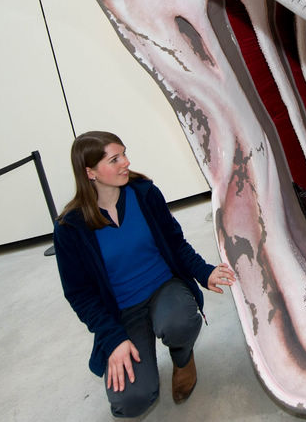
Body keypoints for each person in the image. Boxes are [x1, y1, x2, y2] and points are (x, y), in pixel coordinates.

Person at [53, 131, 236, 418]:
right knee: (131, 401)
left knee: (179, 321)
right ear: (90, 172)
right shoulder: (70, 228)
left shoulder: (145, 193)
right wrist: (112, 338)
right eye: (114, 159)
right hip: (123, 313)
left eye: (124, 153)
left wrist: (205, 271)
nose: (125, 162)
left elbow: (175, 242)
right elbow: (80, 294)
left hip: (164, 287)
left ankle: (183, 358)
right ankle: (140, 345)